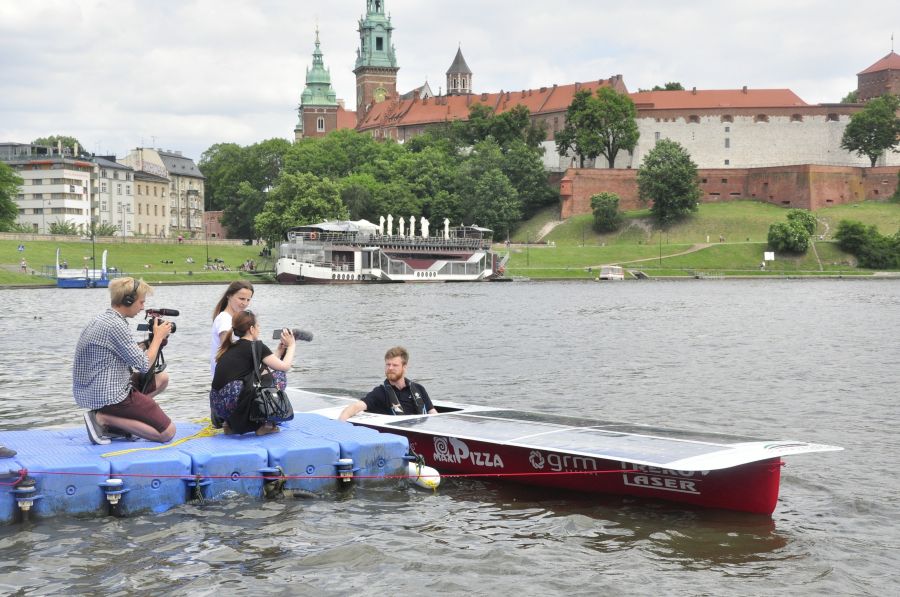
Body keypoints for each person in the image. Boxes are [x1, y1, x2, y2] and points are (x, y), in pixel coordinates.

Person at [73, 277, 176, 445]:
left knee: (161, 379)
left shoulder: (104, 319)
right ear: (128, 301)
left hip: (94, 391)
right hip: (110, 395)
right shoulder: (116, 325)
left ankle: (116, 425)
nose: (142, 307)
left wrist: (149, 344)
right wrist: (158, 337)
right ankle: (102, 418)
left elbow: (124, 351)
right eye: (141, 302)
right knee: (167, 433)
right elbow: (143, 365)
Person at [210, 310, 295, 436]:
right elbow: (284, 367)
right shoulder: (256, 346)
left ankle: (229, 425)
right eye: (258, 326)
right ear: (251, 329)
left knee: (260, 377)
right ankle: (263, 424)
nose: (259, 328)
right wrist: (292, 345)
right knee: (279, 376)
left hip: (219, 407)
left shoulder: (230, 347)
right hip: (235, 405)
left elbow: (261, 366)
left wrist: (279, 351)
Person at [339, 346, 437, 421]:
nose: (390, 368)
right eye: (388, 364)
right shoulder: (380, 393)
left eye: (395, 365)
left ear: (404, 367)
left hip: (422, 430)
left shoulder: (419, 389)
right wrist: (341, 424)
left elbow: (432, 413)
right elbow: (356, 407)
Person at [210, 281, 254, 376]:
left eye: (248, 300)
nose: (245, 303)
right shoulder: (225, 320)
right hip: (229, 378)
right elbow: (228, 355)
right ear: (229, 296)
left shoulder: (235, 320)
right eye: (241, 299)